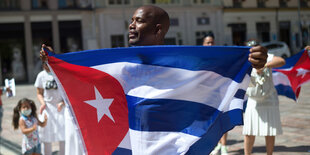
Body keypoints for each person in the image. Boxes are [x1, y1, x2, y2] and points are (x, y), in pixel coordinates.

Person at [40, 5, 268, 154]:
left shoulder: (184, 67)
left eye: (138, 21)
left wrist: (253, 60)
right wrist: (55, 64)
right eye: (131, 20)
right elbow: (82, 78)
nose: (131, 25)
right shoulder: (121, 67)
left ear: (158, 30)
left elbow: (219, 78)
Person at [243, 49, 285, 155]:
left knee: (270, 131)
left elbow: (281, 61)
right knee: (249, 131)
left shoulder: (265, 56)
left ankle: (269, 154)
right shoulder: (244, 58)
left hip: (269, 98)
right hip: (253, 99)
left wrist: (264, 65)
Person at [203, 32, 228, 155]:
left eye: (212, 42)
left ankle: (224, 146)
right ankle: (217, 144)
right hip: (206, 96)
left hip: (220, 93)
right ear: (203, 44)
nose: (210, 44)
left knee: (222, 120)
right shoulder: (201, 59)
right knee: (211, 123)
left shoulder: (220, 58)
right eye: (207, 42)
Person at [34, 63, 65, 155]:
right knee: (46, 135)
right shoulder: (41, 75)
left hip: (61, 108)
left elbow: (68, 91)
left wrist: (63, 102)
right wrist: (43, 103)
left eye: (47, 63)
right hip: (48, 107)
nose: (45, 66)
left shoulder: (61, 73)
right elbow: (39, 93)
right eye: (43, 64)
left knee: (63, 135)